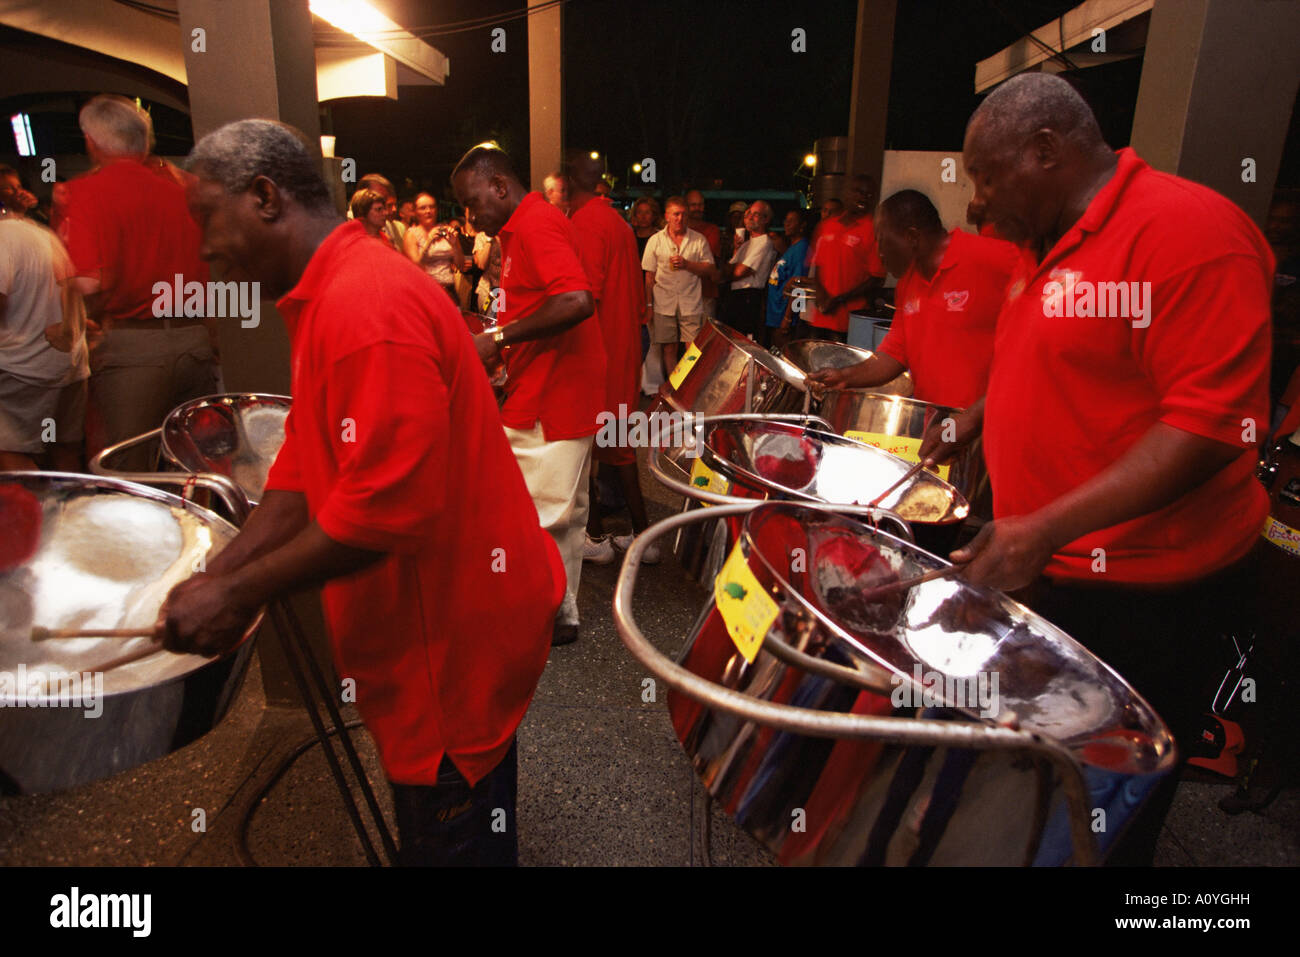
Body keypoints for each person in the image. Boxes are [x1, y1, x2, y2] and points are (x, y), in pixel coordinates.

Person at [159, 119, 563, 867]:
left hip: (448, 649)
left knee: (453, 838)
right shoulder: (333, 289)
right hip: (428, 633)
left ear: (265, 196)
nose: (203, 247)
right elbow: (303, 467)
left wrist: (240, 591)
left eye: (206, 217)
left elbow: (387, 513)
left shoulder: (364, 306)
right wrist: (223, 568)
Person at [920, 73, 1273, 863]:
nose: (975, 201)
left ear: (1047, 150)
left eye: (985, 175)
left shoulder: (1186, 235)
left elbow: (1210, 427)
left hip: (1146, 599)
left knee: (1102, 815)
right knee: (1034, 790)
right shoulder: (1042, 241)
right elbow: (1051, 360)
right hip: (1055, 572)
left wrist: (1044, 528)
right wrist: (979, 414)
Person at [452, 144, 603, 646]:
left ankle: (539, 615)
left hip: (553, 394)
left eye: (474, 203)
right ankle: (561, 614)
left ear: (500, 186)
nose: (471, 218)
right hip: (550, 384)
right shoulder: (521, 229)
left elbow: (576, 300)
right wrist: (506, 346)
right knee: (564, 512)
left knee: (533, 512)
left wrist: (495, 339)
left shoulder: (536, 224)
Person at [60, 94, 219, 472]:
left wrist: (83, 322)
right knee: (194, 469)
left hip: (131, 349)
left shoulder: (84, 193)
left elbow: (89, 281)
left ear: (91, 142)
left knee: (129, 473)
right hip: (194, 341)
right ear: (144, 141)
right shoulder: (187, 189)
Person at [808, 189, 1017, 408]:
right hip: (937, 425)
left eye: (881, 241)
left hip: (985, 427)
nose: (879, 253)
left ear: (912, 237)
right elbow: (895, 352)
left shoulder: (992, 259)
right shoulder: (908, 284)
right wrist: (845, 376)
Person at [563, 151, 658, 567]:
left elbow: (583, 300)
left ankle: (597, 535)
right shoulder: (617, 223)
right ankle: (643, 536)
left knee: (589, 449)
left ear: (568, 182)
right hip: (621, 353)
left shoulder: (584, 223)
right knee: (617, 449)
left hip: (597, 355)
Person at [0, 200, 89, 471]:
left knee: (9, 456)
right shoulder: (41, 234)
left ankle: (32, 514)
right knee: (63, 455)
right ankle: (64, 512)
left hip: (22, 369)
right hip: (69, 367)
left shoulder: (3, 238)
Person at [803, 175, 886, 343]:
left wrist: (839, 299)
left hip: (850, 323)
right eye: (859, 192)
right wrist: (822, 295)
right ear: (847, 194)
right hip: (820, 317)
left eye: (869, 195)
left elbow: (876, 278)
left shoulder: (873, 231)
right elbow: (817, 266)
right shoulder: (827, 225)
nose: (864, 197)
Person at [642, 195, 719, 374]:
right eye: (676, 214)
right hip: (663, 302)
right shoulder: (656, 240)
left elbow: (710, 268)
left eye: (683, 214)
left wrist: (687, 264)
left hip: (690, 302)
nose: (680, 218)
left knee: (692, 349)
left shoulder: (698, 239)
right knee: (669, 348)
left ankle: (686, 386)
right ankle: (674, 389)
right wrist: (649, 305)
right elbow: (649, 276)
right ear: (667, 216)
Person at [723, 201, 778, 338]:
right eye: (748, 214)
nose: (750, 217)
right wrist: (736, 249)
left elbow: (738, 272)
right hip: (736, 295)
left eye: (756, 214)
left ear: (766, 219)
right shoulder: (746, 243)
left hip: (749, 296)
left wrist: (731, 272)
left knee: (745, 339)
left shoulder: (764, 242)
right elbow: (727, 270)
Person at [764, 208, 810, 348]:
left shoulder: (802, 249)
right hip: (775, 314)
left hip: (785, 316)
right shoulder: (792, 247)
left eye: (792, 221)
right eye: (786, 220)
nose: (787, 224)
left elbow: (800, 286)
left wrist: (788, 318)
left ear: (802, 225)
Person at [403, 193, 460, 302]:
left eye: (432, 207)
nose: (428, 211)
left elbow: (460, 265)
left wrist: (454, 245)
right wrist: (428, 242)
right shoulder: (411, 234)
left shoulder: (445, 230)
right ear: (415, 212)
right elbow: (415, 267)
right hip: (426, 290)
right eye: (423, 208)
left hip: (449, 289)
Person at [686, 190, 722, 321]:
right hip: (682, 293)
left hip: (705, 292)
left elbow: (708, 260)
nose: (697, 208)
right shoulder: (678, 230)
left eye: (700, 205)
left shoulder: (712, 230)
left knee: (704, 337)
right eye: (693, 205)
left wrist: (686, 262)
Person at [354, 173, 405, 248]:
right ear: (363, 195)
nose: (386, 212)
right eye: (377, 195)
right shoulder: (346, 220)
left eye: (384, 198)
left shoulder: (386, 224)